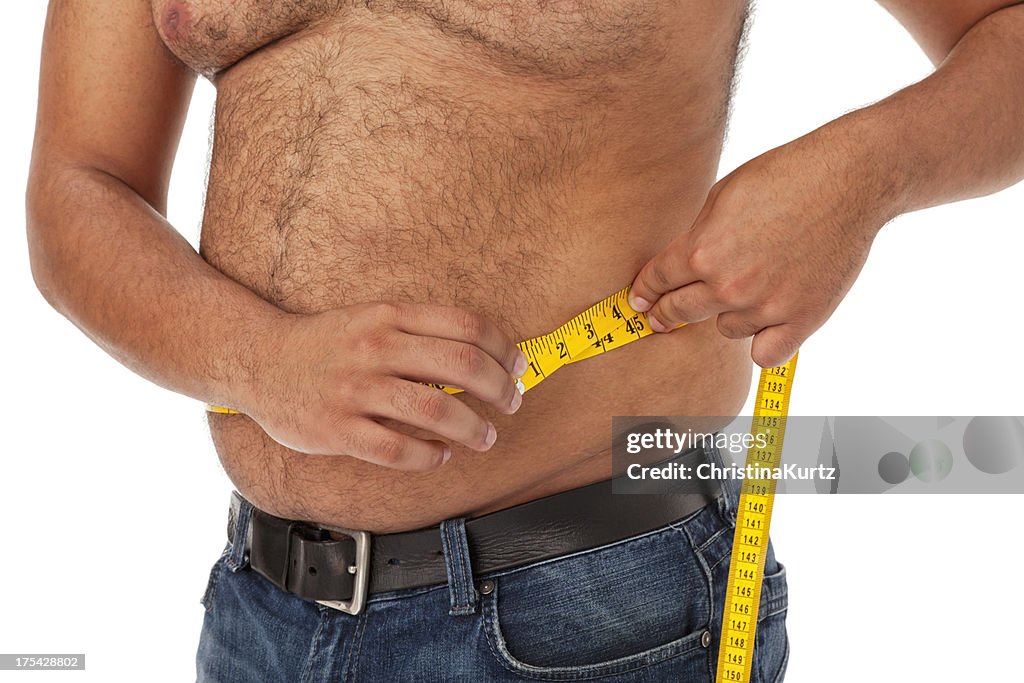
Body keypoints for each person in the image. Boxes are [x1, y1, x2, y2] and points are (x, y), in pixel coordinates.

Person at [26, 0, 1024, 680]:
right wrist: (257, 358)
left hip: (588, 607)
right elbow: (80, 188)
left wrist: (861, 174)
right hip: (264, 607)